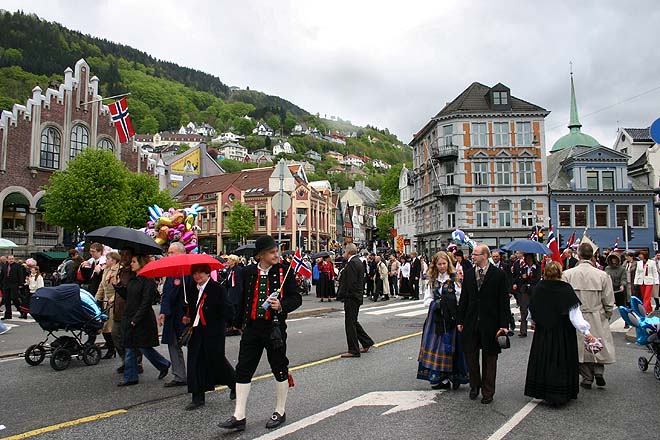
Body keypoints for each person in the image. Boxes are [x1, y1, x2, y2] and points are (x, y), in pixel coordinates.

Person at [220, 235, 301, 432]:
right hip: (252, 328)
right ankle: (239, 415)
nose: (277, 255)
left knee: (279, 367)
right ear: (261, 255)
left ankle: (280, 411)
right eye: (272, 252)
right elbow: (241, 299)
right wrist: (237, 323)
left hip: (274, 329)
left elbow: (296, 298)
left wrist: (282, 305)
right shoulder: (247, 272)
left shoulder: (284, 271)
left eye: (277, 251)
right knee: (243, 369)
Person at [525, 261, 595, 406]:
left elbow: (531, 308)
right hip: (562, 332)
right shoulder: (565, 289)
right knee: (561, 361)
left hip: (544, 331)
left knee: (544, 360)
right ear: (560, 273)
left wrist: (533, 321)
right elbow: (574, 314)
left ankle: (543, 391)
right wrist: (586, 331)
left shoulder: (539, 288)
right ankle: (560, 393)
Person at [456, 245, 510, 404]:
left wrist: (504, 324)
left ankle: (488, 391)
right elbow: (464, 299)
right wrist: (460, 320)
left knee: (490, 358)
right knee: (470, 356)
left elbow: (503, 301)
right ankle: (475, 385)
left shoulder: (498, 274)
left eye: (475, 254)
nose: (472, 256)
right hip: (471, 321)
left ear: (485, 256)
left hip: (491, 322)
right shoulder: (469, 274)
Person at [183, 263, 236, 410]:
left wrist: (231, 322)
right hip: (197, 330)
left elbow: (227, 308)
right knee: (195, 362)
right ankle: (197, 396)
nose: (197, 276)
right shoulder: (192, 289)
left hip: (213, 331)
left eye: (201, 273)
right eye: (195, 273)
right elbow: (192, 309)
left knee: (217, 361)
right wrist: (188, 318)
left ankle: (235, 383)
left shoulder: (217, 288)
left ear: (207, 273)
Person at [563, 243, 616, 389]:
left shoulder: (568, 274)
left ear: (578, 255)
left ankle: (587, 377)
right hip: (597, 313)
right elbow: (609, 298)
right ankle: (599, 371)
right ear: (592, 255)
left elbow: (564, 297)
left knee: (580, 347)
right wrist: (608, 312)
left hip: (577, 314)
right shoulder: (602, 275)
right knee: (598, 343)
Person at [417, 251, 468, 390]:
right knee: (435, 347)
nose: (441, 266)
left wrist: (450, 303)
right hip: (436, 319)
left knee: (451, 347)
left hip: (451, 319)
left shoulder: (454, 280)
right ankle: (439, 378)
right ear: (435, 265)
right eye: (439, 264)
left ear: (448, 264)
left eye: (444, 264)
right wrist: (437, 304)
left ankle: (454, 376)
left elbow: (460, 297)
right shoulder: (432, 281)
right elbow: (426, 300)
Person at [117, 254, 170, 386]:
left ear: (141, 263)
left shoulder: (148, 280)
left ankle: (161, 365)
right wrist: (117, 287)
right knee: (132, 346)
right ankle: (132, 376)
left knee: (142, 346)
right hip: (130, 315)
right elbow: (128, 297)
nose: (132, 264)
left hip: (142, 319)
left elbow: (146, 302)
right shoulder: (133, 279)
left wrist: (136, 319)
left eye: (134, 261)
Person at [158, 242, 189, 387]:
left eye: (171, 252)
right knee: (173, 344)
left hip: (184, 314)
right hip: (172, 314)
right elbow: (167, 293)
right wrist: (163, 311)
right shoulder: (171, 271)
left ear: (181, 253)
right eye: (168, 252)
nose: (168, 255)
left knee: (193, 344)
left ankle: (203, 372)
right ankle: (179, 375)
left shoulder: (188, 270)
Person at [337, 243, 374, 358]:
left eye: (344, 252)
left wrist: (344, 294)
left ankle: (353, 350)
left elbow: (351, 282)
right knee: (353, 321)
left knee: (350, 323)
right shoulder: (358, 261)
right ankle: (366, 341)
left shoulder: (352, 263)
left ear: (348, 252)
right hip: (356, 296)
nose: (343, 254)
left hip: (352, 297)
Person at [95, 252, 120, 359]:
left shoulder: (118, 270)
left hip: (114, 302)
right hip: (106, 301)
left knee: (108, 327)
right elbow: (102, 285)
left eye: (108, 259)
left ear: (114, 260)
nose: (106, 260)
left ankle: (112, 348)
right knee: (105, 327)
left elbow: (119, 286)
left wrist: (113, 299)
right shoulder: (106, 269)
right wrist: (96, 298)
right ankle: (111, 347)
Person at [515, 253, 541, 338]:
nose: (529, 260)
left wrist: (528, 278)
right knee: (523, 309)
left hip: (534, 290)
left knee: (535, 309)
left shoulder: (537, 267)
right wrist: (523, 278)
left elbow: (537, 279)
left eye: (530, 258)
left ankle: (536, 326)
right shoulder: (523, 268)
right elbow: (520, 280)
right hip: (525, 290)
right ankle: (523, 330)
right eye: (527, 258)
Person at [224, 254, 244, 336]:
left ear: (233, 261)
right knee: (231, 309)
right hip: (230, 292)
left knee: (236, 309)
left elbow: (239, 283)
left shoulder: (238, 270)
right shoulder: (229, 270)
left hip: (236, 292)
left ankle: (237, 327)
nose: (227, 262)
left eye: (229, 260)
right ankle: (231, 326)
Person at [2, 255, 24, 320]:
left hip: (14, 285)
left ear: (14, 259)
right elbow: (2, 276)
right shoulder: (4, 266)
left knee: (14, 298)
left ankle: (21, 311)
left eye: (12, 259)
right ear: (7, 259)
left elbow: (20, 275)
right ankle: (8, 314)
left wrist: (20, 284)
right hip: (6, 285)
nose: (11, 260)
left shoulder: (17, 266)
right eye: (10, 259)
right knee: (6, 300)